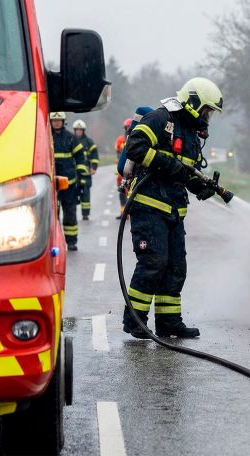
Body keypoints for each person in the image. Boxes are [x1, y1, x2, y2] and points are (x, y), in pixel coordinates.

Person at [121, 77, 223, 339]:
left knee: (176, 267)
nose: (207, 117)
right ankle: (135, 322)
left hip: (174, 211)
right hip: (148, 206)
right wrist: (166, 163)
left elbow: (183, 171)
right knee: (154, 262)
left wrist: (199, 187)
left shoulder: (189, 133)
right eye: (206, 111)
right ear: (193, 103)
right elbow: (135, 147)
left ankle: (168, 323)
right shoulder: (160, 119)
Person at [52, 112, 84, 251]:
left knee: (70, 212)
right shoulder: (45, 136)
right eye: (54, 120)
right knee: (51, 215)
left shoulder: (71, 138)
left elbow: (80, 159)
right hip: (50, 184)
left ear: (63, 121)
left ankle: (71, 241)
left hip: (69, 184)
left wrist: (81, 180)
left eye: (59, 120)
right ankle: (52, 243)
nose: (57, 122)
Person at [73, 120, 98, 221]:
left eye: (80, 130)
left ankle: (85, 214)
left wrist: (94, 167)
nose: (78, 131)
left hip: (86, 174)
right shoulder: (71, 140)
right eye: (77, 130)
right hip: (74, 174)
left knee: (86, 195)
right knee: (73, 194)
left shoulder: (89, 142)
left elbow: (94, 156)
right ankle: (72, 212)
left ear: (83, 130)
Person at [114, 118, 132, 219]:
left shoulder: (135, 138)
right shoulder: (120, 140)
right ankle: (123, 213)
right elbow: (117, 153)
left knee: (130, 191)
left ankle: (129, 212)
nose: (128, 129)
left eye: (130, 127)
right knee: (121, 192)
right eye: (127, 128)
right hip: (121, 171)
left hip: (132, 170)